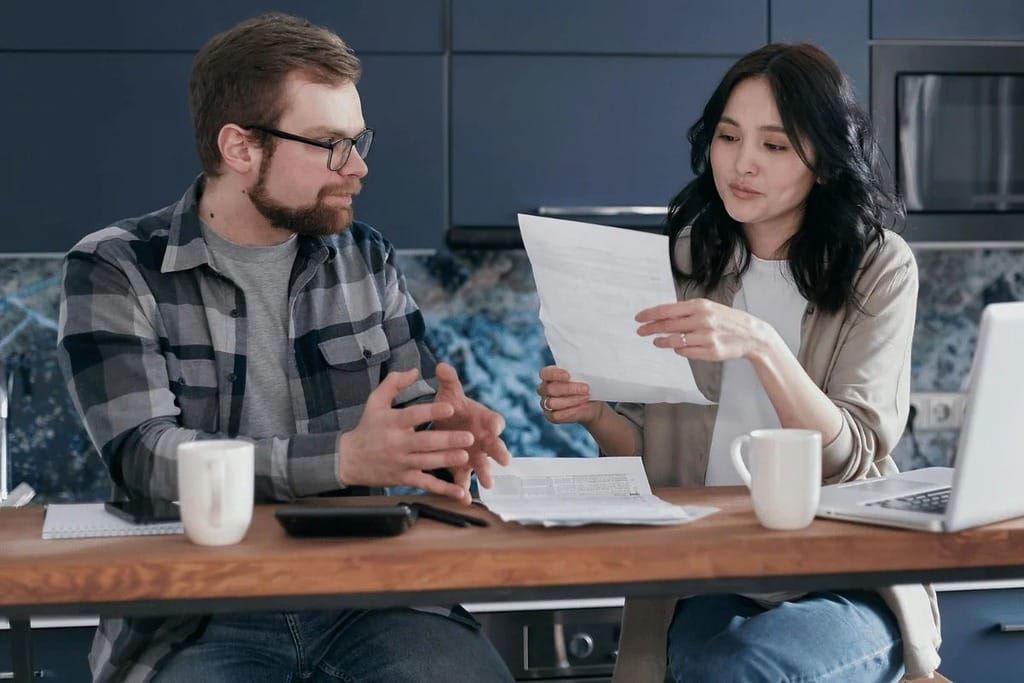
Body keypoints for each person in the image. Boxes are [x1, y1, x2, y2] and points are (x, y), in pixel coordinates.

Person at [57, 13, 515, 683]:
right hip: (197, 608)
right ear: (241, 148)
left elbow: (407, 416)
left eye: (358, 141)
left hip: (372, 594)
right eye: (331, 143)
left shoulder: (366, 257)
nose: (357, 166)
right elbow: (145, 457)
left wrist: (445, 437)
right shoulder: (116, 268)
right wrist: (344, 457)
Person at [536, 43, 941, 682]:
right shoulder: (680, 263)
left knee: (744, 669)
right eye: (729, 137)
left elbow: (851, 453)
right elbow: (654, 463)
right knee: (721, 668)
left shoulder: (877, 266)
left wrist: (761, 344)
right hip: (708, 574)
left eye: (775, 146)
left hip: (842, 571)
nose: (742, 164)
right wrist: (595, 415)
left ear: (825, 161)